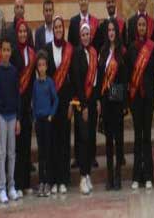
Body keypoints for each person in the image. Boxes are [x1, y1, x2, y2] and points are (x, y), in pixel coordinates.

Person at [68, 0, 99, 169]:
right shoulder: (73, 22)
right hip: (78, 77)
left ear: (89, 0)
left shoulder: (95, 22)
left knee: (92, 123)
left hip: (92, 75)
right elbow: (71, 48)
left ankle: (92, 156)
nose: (83, 1)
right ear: (78, 1)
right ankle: (78, 157)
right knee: (79, 125)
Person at [126, 13, 154, 190]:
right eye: (139, 25)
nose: (141, 28)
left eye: (143, 25)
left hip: (148, 98)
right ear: (135, 28)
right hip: (136, 99)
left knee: (147, 136)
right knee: (137, 137)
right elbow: (130, 74)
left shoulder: (152, 48)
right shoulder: (131, 49)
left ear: (147, 28)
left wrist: (148, 88)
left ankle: (148, 175)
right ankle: (136, 176)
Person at [97, 20, 127, 190]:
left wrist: (117, 96)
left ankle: (118, 176)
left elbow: (124, 78)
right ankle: (109, 177)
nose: (111, 32)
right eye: (108, 30)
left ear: (117, 31)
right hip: (106, 102)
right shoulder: (102, 52)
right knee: (108, 140)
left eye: (113, 29)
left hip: (117, 100)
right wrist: (102, 98)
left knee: (119, 140)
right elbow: (100, 78)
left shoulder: (121, 52)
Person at [46, 15, 74, 195]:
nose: (58, 30)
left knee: (64, 142)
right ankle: (54, 179)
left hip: (65, 102)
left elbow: (72, 77)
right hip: (51, 102)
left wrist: (72, 103)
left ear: (63, 29)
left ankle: (64, 179)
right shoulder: (47, 49)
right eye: (55, 27)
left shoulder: (69, 49)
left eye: (60, 27)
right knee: (53, 142)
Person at [71, 23, 99, 195]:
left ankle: (88, 173)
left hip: (93, 103)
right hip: (81, 104)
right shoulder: (76, 54)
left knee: (91, 139)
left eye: (88, 34)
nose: (85, 36)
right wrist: (84, 105)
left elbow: (96, 81)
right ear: (79, 37)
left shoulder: (94, 53)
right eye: (83, 34)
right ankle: (82, 176)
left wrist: (96, 101)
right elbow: (76, 81)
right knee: (82, 139)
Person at [0, 38, 21, 204]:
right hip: (2, 117)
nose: (6, 53)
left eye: (8, 50)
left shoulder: (14, 71)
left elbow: (18, 95)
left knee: (12, 153)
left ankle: (11, 186)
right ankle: (1, 188)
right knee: (1, 153)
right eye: (3, 50)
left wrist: (18, 118)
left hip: (12, 117)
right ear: (0, 52)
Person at [11, 20, 35, 196]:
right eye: (20, 32)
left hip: (29, 105)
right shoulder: (12, 53)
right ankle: (17, 184)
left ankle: (26, 183)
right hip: (16, 103)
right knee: (17, 147)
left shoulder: (32, 53)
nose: (22, 34)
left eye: (25, 32)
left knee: (27, 144)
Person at [32, 50, 58, 197]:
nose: (41, 67)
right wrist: (35, 116)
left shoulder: (50, 82)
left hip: (47, 121)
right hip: (39, 121)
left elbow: (56, 100)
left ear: (47, 67)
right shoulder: (35, 84)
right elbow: (34, 102)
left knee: (48, 152)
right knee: (41, 153)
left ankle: (48, 181)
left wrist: (51, 115)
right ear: (37, 67)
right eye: (39, 65)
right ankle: (41, 181)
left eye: (43, 65)